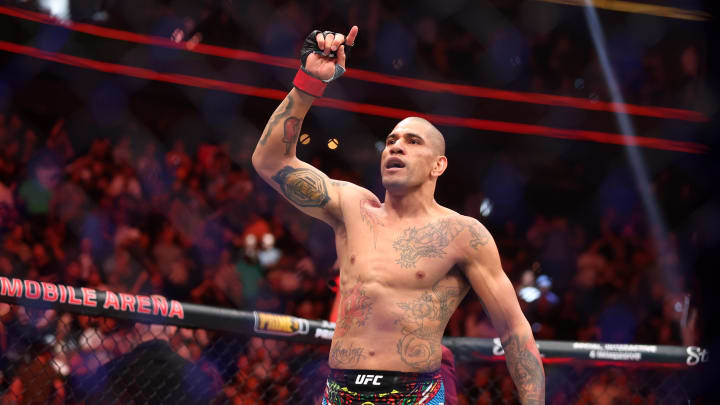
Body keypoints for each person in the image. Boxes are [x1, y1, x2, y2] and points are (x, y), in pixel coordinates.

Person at [252, 26, 544, 405]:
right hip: (340, 391)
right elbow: (270, 162)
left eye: (412, 141)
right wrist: (309, 81)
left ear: (438, 165)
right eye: (391, 141)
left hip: (415, 394)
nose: (396, 147)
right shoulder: (352, 207)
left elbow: (514, 331)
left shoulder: (461, 234)